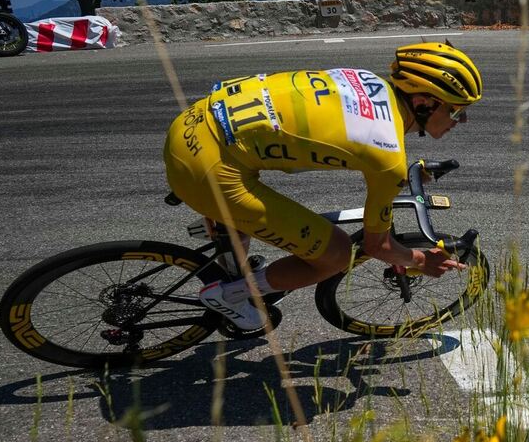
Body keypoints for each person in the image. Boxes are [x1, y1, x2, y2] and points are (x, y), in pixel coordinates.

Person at [163, 40, 482, 330]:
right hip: (208, 169)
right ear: (423, 103)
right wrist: (421, 261)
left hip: (194, 123)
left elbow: (346, 133)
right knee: (338, 255)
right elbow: (377, 247)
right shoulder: (387, 159)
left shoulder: (365, 80)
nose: (463, 120)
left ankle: (228, 243)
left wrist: (396, 172)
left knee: (245, 209)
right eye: (456, 110)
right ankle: (229, 295)